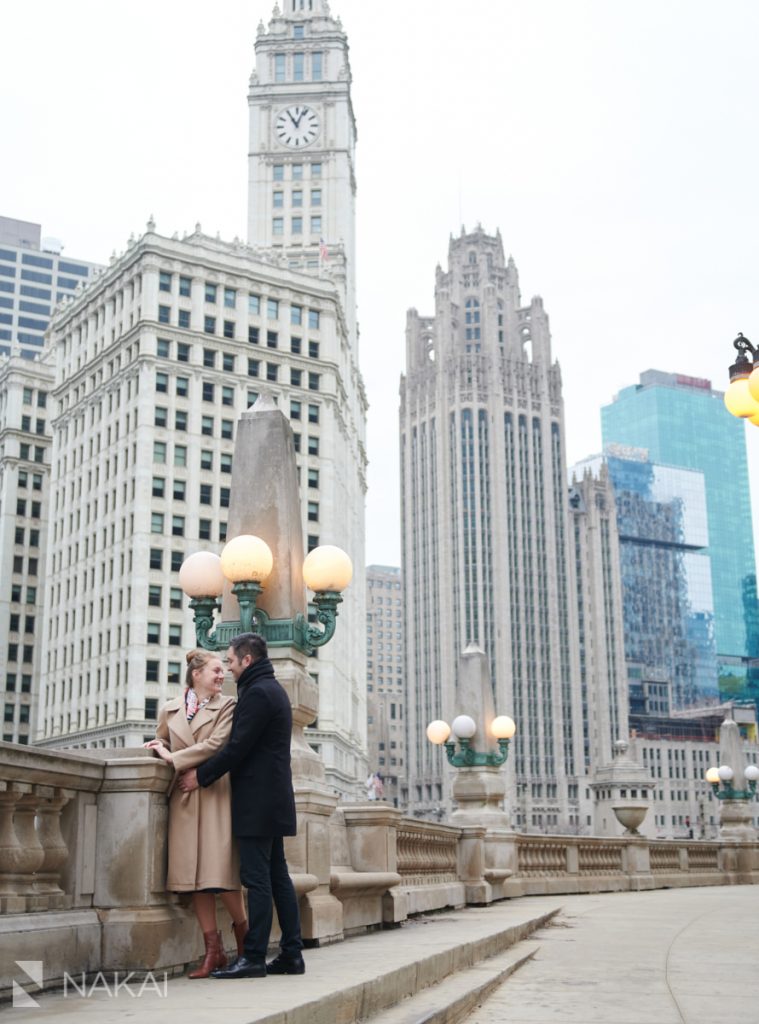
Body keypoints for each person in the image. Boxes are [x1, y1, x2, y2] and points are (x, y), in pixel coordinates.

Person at [178, 632, 304, 979]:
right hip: (274, 799)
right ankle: (292, 954)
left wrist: (199, 777)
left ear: (247, 660)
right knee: (278, 877)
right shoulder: (271, 689)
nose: (229, 669)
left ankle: (253, 957)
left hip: (257, 803)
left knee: (257, 880)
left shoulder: (258, 694)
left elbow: (236, 749)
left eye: (231, 662)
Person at [144, 649, 248, 979]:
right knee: (194, 879)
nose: (222, 675)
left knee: (222, 874)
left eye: (223, 670)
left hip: (215, 793)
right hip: (185, 798)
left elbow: (216, 745)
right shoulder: (170, 709)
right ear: (196, 674)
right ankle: (212, 952)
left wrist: (174, 758)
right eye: (216, 670)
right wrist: (158, 749)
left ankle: (245, 941)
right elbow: (159, 741)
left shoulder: (228, 706)